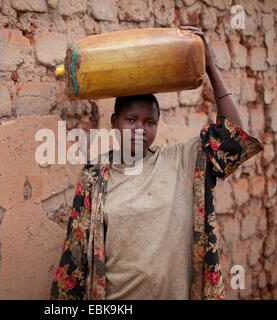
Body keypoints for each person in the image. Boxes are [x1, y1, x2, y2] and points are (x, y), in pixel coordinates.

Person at [50, 26, 264, 300]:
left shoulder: (180, 162)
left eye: (149, 122)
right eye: (131, 120)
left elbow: (234, 140)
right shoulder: (96, 176)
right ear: (114, 121)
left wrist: (210, 67)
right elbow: (74, 257)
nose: (141, 129)